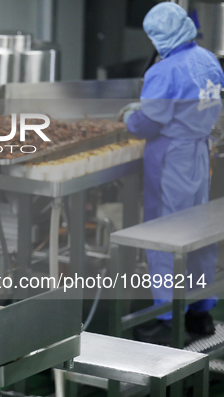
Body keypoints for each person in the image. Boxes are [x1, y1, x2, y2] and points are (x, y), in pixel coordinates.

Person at [119, 2, 224, 345]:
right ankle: (201, 313)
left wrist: (130, 119)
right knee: (199, 235)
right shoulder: (208, 59)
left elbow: (150, 122)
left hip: (171, 157)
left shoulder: (163, 72)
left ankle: (165, 322)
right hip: (199, 151)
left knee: (164, 237)